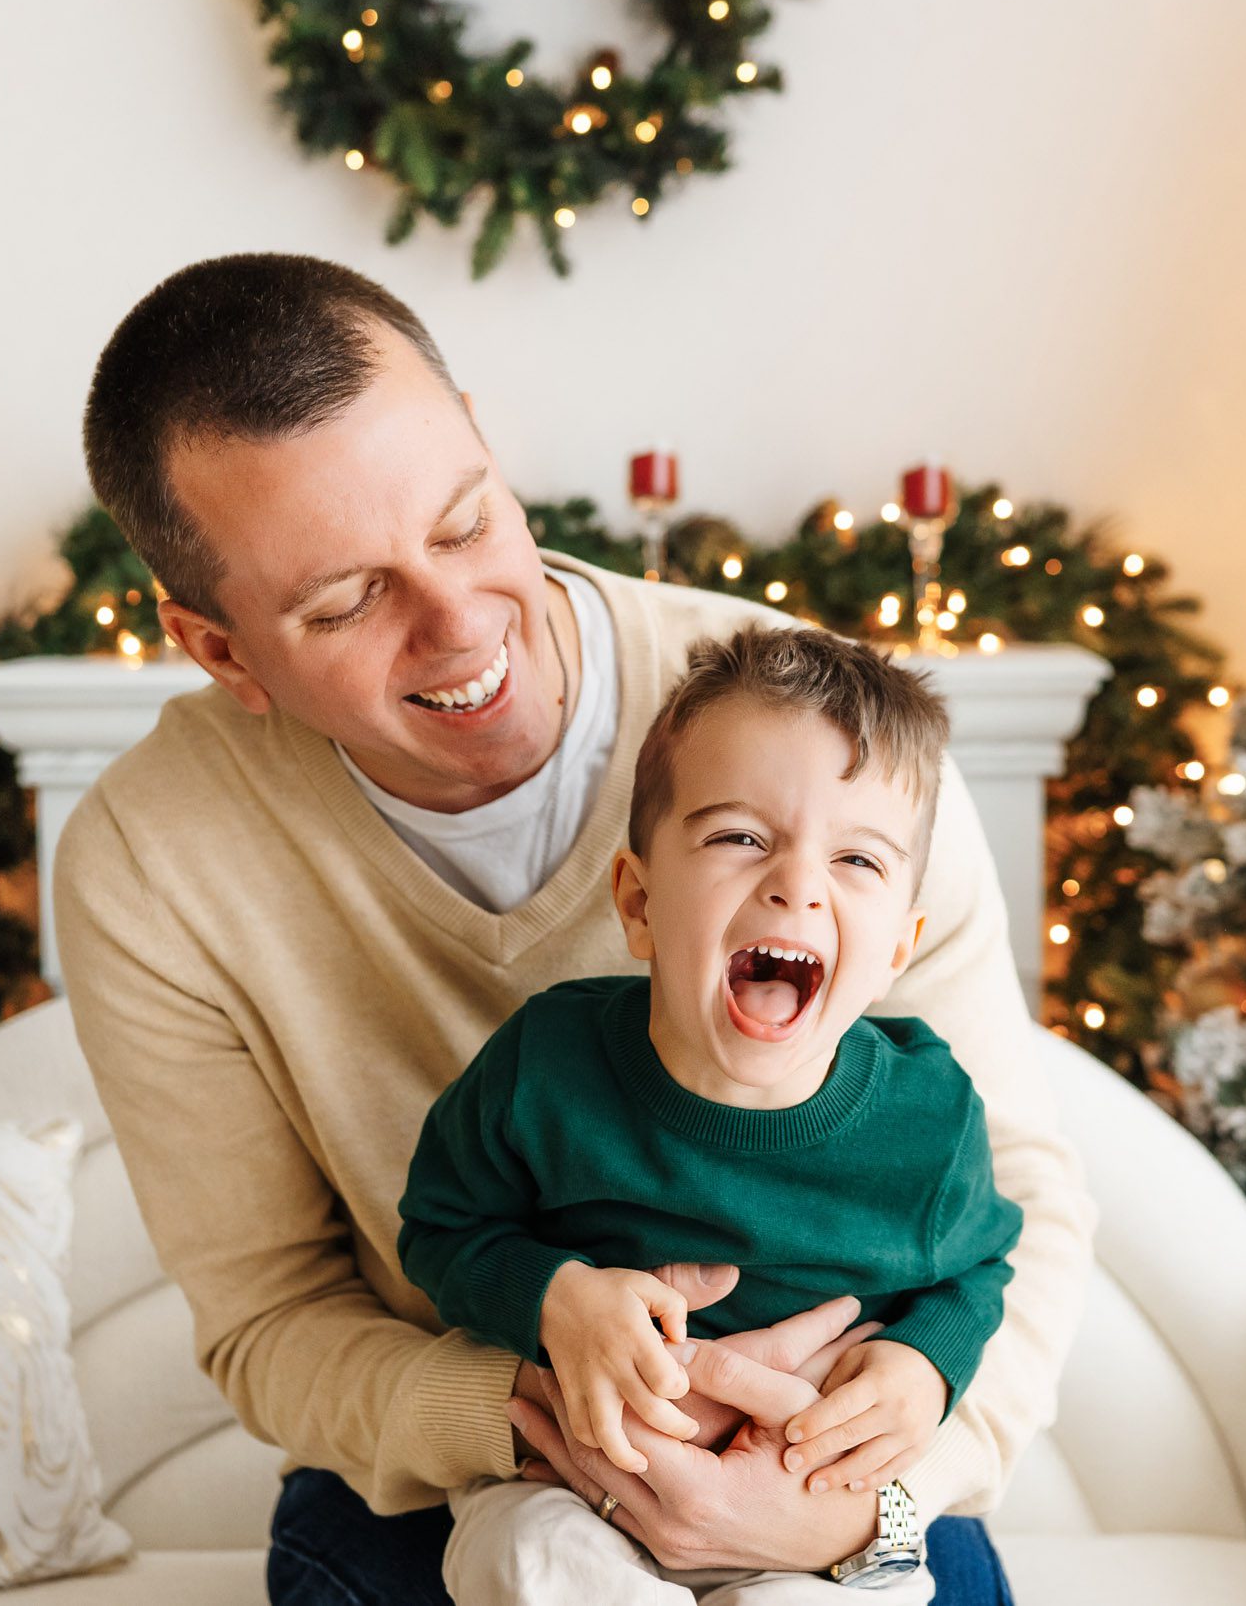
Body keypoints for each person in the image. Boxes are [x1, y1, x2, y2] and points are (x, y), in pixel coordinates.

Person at [58, 251, 1098, 1603]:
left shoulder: (827, 751)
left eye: (463, 518)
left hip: (854, 1461)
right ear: (221, 648)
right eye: (345, 598)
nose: (457, 623)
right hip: (473, 1446)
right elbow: (272, 1320)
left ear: (485, 440)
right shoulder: (152, 862)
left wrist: (845, 1510)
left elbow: (1018, 1208)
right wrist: (545, 1413)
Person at [399, 624, 1026, 1603]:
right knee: (531, 1557)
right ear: (638, 901)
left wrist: (922, 1365)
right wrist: (558, 1294)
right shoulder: (546, 1063)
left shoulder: (926, 1110)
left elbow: (980, 1268)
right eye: (740, 836)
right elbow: (442, 1231)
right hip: (583, 1479)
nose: (796, 883)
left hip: (824, 1503)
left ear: (898, 947)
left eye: (857, 859)